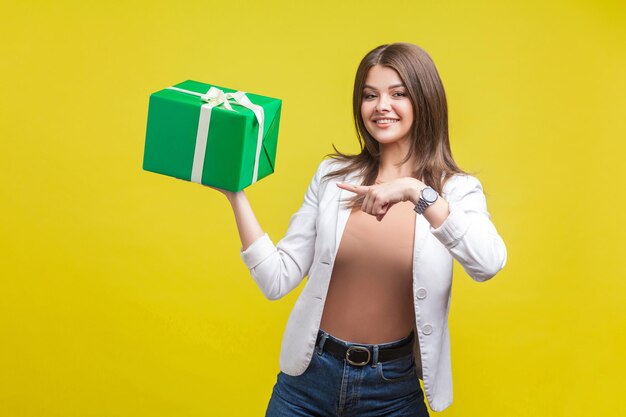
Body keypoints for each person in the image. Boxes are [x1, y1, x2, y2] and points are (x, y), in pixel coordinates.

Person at [212, 42, 507, 416]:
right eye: (370, 95)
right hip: (306, 383)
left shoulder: (455, 191)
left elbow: (488, 263)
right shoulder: (334, 176)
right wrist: (235, 195)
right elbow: (277, 279)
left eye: (397, 93)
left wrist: (416, 191)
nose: (381, 105)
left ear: (425, 100)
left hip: (392, 392)